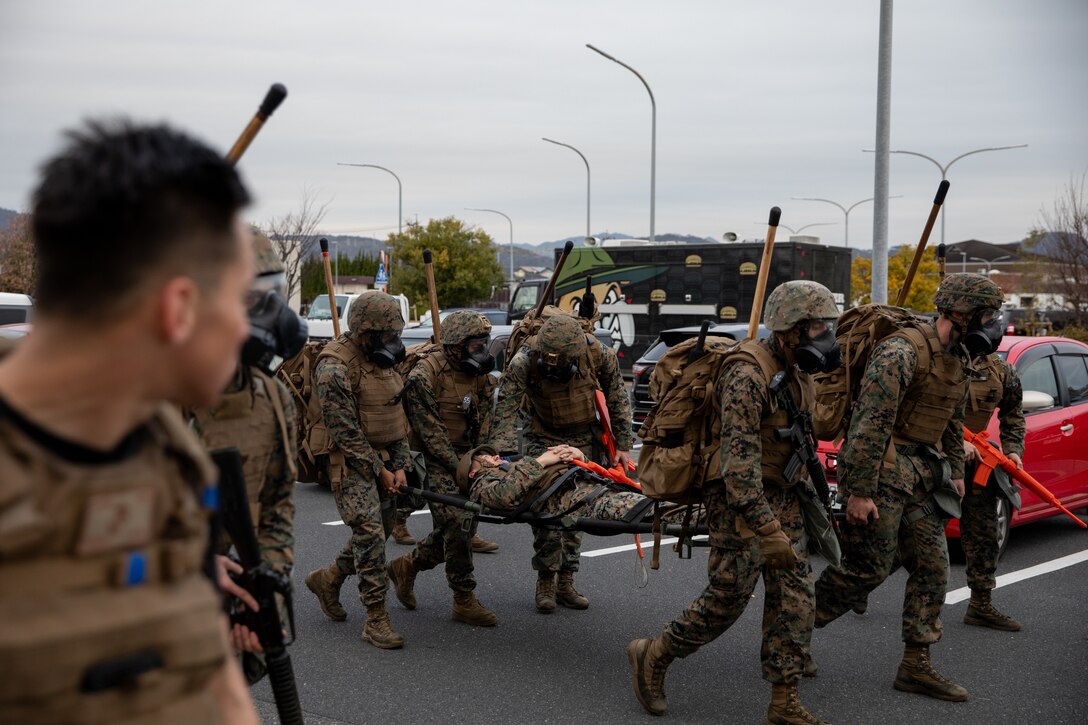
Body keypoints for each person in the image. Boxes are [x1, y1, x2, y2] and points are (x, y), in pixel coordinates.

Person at [0, 120, 258, 723]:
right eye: (240, 301)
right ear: (179, 310)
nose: (246, 329)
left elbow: (210, 678)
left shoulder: (168, 453)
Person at [627, 280, 840, 723]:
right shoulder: (746, 376)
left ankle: (784, 700)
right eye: (816, 328)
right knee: (728, 598)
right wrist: (767, 529)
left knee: (796, 597)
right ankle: (655, 653)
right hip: (739, 500)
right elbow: (738, 467)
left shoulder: (798, 371)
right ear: (788, 331)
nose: (825, 337)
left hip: (784, 493)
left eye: (827, 327)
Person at [813, 273, 1005, 702]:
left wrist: (955, 469)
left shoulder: (958, 357)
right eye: (986, 314)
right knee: (867, 569)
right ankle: (794, 626)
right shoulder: (900, 352)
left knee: (934, 566)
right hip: (882, 473)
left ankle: (915, 666)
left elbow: (951, 421)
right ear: (960, 312)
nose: (993, 323)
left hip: (921, 474)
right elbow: (867, 424)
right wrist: (858, 491)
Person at [190, 232, 305, 681]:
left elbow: (277, 506)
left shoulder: (273, 398)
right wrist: (192, 565)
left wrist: (264, 588)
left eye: (270, 297)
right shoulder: (150, 398)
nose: (271, 314)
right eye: (250, 299)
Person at [490, 313, 634, 613]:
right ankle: (545, 582)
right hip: (542, 436)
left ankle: (566, 580)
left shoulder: (597, 353)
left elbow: (618, 395)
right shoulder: (525, 361)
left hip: (584, 438)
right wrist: (500, 455)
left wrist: (623, 444)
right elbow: (506, 407)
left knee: (577, 507)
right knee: (545, 508)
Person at [304, 291, 413, 649]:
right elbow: (345, 430)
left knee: (378, 532)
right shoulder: (334, 366)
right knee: (369, 534)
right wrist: (379, 469)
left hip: (382, 456)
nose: (394, 342)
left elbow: (395, 413)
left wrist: (399, 464)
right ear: (365, 332)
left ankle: (329, 579)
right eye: (387, 335)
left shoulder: (383, 360)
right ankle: (376, 618)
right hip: (348, 458)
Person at [386, 310, 500, 626]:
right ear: (453, 347)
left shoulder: (483, 377)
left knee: (457, 526)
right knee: (459, 525)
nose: (483, 351)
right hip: (433, 461)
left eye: (484, 343)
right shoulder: (424, 377)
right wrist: (464, 466)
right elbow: (431, 435)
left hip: (469, 457)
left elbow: (487, 425)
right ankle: (463, 599)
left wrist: (485, 459)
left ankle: (406, 567)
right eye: (475, 345)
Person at [960, 323, 1025, 631]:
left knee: (985, 533)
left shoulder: (1000, 369)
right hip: (933, 460)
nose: (991, 325)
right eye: (983, 317)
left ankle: (980, 604)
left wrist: (1013, 450)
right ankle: (856, 585)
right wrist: (954, 442)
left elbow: (1013, 412)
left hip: (979, 463)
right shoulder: (940, 361)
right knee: (902, 538)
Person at [460, 444, 647, 521]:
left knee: (649, 501)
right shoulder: (482, 484)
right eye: (485, 457)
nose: (495, 456)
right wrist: (542, 461)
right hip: (573, 498)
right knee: (650, 509)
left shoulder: (514, 467)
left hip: (588, 485)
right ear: (472, 472)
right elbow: (502, 497)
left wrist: (577, 455)